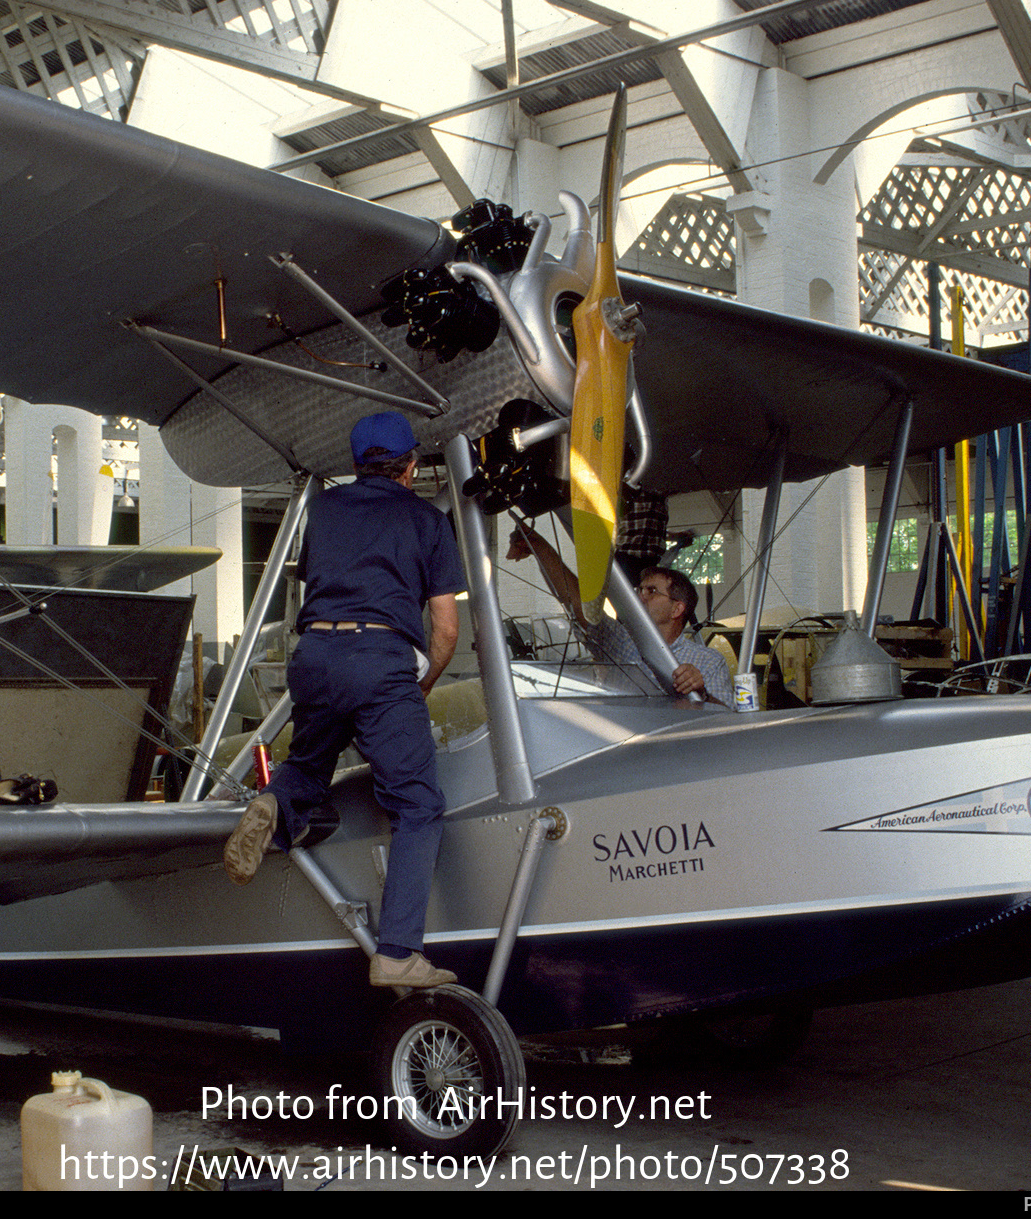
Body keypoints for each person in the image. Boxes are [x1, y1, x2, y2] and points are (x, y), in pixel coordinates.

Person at [223, 411, 465, 989]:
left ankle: (274, 810)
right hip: (380, 661)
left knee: (308, 764)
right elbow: (448, 629)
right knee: (417, 805)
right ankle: (398, 952)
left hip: (313, 657)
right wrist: (420, 682)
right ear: (410, 467)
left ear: (358, 465)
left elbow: (317, 586)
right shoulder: (425, 519)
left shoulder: (325, 510)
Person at [507, 523, 732, 706]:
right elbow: (576, 601)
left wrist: (701, 693)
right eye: (639, 590)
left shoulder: (709, 661)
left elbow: (727, 721)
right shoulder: (621, 642)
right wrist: (541, 548)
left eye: (651, 591)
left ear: (677, 609)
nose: (640, 596)